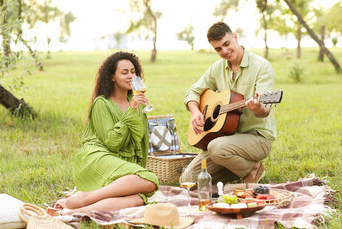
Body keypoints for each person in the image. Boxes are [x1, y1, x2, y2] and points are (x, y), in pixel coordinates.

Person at [55, 51, 159, 215]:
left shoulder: (136, 103)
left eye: (133, 72)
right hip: (97, 157)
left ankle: (76, 209)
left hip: (120, 162)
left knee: (138, 199)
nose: (131, 76)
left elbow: (138, 139)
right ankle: (86, 197)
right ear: (112, 77)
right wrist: (132, 109)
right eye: (124, 72)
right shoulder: (101, 104)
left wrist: (135, 108)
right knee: (150, 179)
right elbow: (112, 142)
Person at [180, 22, 276, 185]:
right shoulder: (217, 68)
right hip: (226, 138)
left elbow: (264, 110)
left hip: (257, 138)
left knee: (216, 148)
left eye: (226, 44)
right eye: (218, 49)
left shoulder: (261, 67)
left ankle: (253, 169)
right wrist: (195, 112)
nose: (224, 51)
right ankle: (237, 169)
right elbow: (192, 92)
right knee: (187, 179)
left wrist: (258, 107)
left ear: (235, 38)